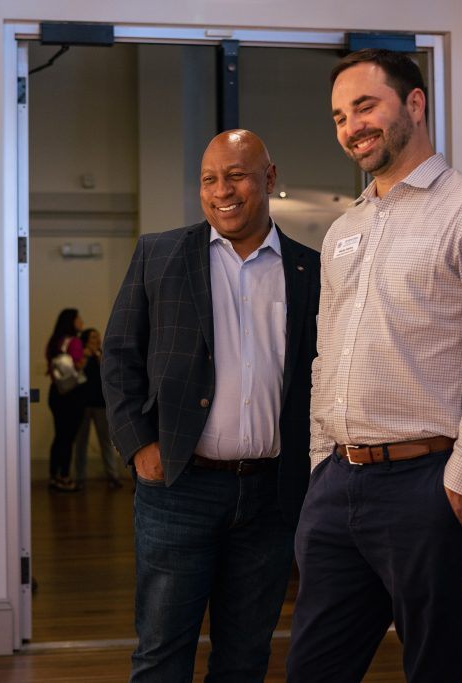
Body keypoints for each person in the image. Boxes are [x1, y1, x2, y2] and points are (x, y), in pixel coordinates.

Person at [286, 49, 462, 683]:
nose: (351, 127)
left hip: (425, 482)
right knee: (314, 668)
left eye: (365, 106)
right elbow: (327, 352)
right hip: (338, 483)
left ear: (415, 104)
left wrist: (460, 482)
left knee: (438, 669)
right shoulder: (344, 229)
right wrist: (321, 463)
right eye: (340, 116)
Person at [102, 129, 320, 682]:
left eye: (237, 175)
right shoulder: (160, 254)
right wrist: (139, 446)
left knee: (246, 657)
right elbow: (119, 356)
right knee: (161, 653)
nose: (222, 190)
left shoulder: (311, 270)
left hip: (271, 496)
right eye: (209, 179)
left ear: (269, 179)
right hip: (179, 487)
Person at [73, 327, 124, 489]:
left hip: (101, 404)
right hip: (82, 405)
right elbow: (76, 373)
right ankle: (80, 478)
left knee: (106, 442)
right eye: (93, 337)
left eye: (98, 337)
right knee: (81, 442)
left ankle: (113, 477)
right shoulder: (82, 355)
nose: (96, 339)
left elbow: (109, 373)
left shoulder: (102, 354)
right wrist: (86, 356)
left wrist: (98, 356)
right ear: (86, 339)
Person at [45, 308, 86, 493]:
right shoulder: (75, 342)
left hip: (56, 392)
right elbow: (78, 364)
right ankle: (66, 477)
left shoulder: (54, 342)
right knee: (69, 437)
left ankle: (54, 476)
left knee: (59, 435)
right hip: (72, 394)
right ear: (72, 321)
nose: (81, 321)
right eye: (78, 318)